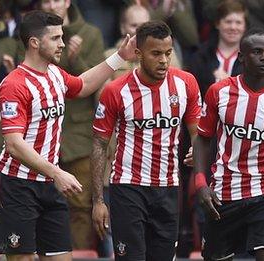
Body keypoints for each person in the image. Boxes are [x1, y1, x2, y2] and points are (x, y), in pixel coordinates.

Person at [0, 10, 135, 260]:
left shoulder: (55, 74)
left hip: (49, 184)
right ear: (35, 43)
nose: (62, 43)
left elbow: (83, 85)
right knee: (21, 257)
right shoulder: (14, 85)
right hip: (18, 184)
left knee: (62, 257)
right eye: (56, 38)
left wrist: (119, 57)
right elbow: (14, 144)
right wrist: (57, 172)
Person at [91, 21, 201, 261]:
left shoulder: (186, 84)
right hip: (128, 187)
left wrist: (196, 147)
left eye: (168, 53)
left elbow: (197, 131)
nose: (163, 60)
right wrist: (98, 201)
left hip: (168, 187)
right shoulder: (116, 91)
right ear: (138, 54)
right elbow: (99, 144)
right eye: (156, 53)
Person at [193, 28, 264, 261]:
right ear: (241, 57)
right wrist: (201, 183)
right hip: (224, 193)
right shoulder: (218, 92)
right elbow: (203, 138)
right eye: (257, 52)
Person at [38, 0, 106, 251]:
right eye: (46, 0)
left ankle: (79, 255)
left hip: (77, 137)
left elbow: (96, 86)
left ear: (68, 2)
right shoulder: (30, 34)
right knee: (41, 204)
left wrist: (76, 61)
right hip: (41, 138)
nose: (52, 4)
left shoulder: (90, 34)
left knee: (80, 206)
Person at [188, 0, 246, 96]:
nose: (233, 27)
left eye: (238, 22)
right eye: (228, 22)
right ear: (217, 24)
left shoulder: (251, 59)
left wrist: (229, 84)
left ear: (245, 26)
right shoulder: (200, 56)